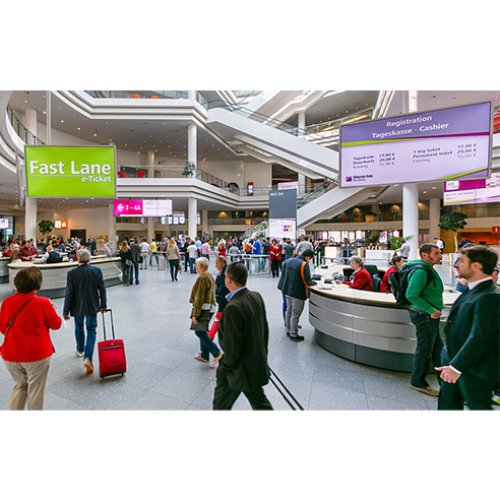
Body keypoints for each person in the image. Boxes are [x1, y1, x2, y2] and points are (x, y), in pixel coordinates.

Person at [436, 245, 500, 410]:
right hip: (454, 361)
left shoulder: (491, 296)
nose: (457, 264)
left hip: (473, 369)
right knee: (448, 404)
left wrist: (456, 367)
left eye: (462, 261)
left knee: (478, 407)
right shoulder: (473, 289)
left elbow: (480, 337)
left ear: (476, 266)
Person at [213, 262, 273, 410]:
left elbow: (232, 346)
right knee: (260, 402)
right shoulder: (256, 297)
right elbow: (264, 331)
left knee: (221, 405)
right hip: (254, 363)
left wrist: (225, 367)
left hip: (237, 370)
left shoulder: (233, 307)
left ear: (229, 279)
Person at [0, 267, 62, 410]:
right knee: (35, 391)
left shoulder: (7, 302)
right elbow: (56, 324)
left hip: (10, 355)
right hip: (36, 356)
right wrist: (52, 309)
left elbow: (3, 328)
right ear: (37, 284)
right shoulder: (43, 303)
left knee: (20, 386)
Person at [405, 243, 444, 397]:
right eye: (436, 253)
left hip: (429, 316)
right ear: (424, 255)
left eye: (439, 253)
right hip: (424, 316)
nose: (440, 256)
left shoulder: (427, 269)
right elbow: (411, 294)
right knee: (425, 350)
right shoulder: (421, 271)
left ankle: (447, 384)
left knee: (438, 350)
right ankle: (418, 381)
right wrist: (430, 310)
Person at [63, 248, 107, 374]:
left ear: (77, 258)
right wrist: (103, 305)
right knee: (92, 330)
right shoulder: (97, 271)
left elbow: (69, 294)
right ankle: (88, 357)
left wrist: (66, 311)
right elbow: (102, 289)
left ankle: (80, 349)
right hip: (93, 305)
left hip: (77, 306)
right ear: (89, 259)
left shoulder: (72, 273)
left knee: (79, 327)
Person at [277, 249, 317, 341]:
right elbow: (307, 281)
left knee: (289, 309)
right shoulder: (303, 264)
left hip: (286, 290)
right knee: (296, 313)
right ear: (308, 257)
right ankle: (293, 334)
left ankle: (288, 327)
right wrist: (314, 283)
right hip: (297, 292)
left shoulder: (288, 260)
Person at [189, 257, 222, 365]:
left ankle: (216, 352)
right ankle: (204, 355)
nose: (195, 266)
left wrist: (195, 314)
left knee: (199, 332)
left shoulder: (202, 278)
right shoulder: (208, 276)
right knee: (202, 331)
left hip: (204, 308)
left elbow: (199, 297)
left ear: (201, 266)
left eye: (196, 265)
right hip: (210, 307)